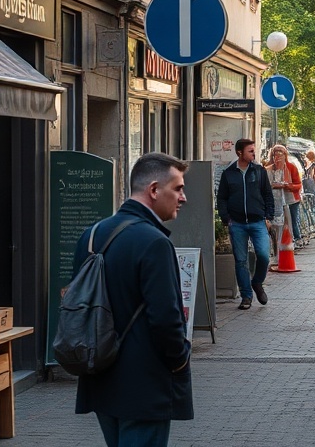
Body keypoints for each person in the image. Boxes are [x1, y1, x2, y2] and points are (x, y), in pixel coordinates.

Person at [71, 152, 192, 447]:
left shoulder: (92, 235)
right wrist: (180, 359)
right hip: (145, 383)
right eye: (177, 188)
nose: (183, 197)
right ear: (153, 190)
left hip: (100, 377)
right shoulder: (154, 242)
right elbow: (166, 320)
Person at [217, 139, 275, 309]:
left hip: (258, 222)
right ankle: (246, 296)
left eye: (253, 151)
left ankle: (257, 282)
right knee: (241, 261)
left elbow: (267, 195)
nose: (254, 154)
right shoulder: (229, 173)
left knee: (264, 255)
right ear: (239, 153)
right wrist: (226, 218)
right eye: (250, 151)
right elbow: (222, 198)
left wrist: (268, 217)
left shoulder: (259, 171)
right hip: (237, 223)